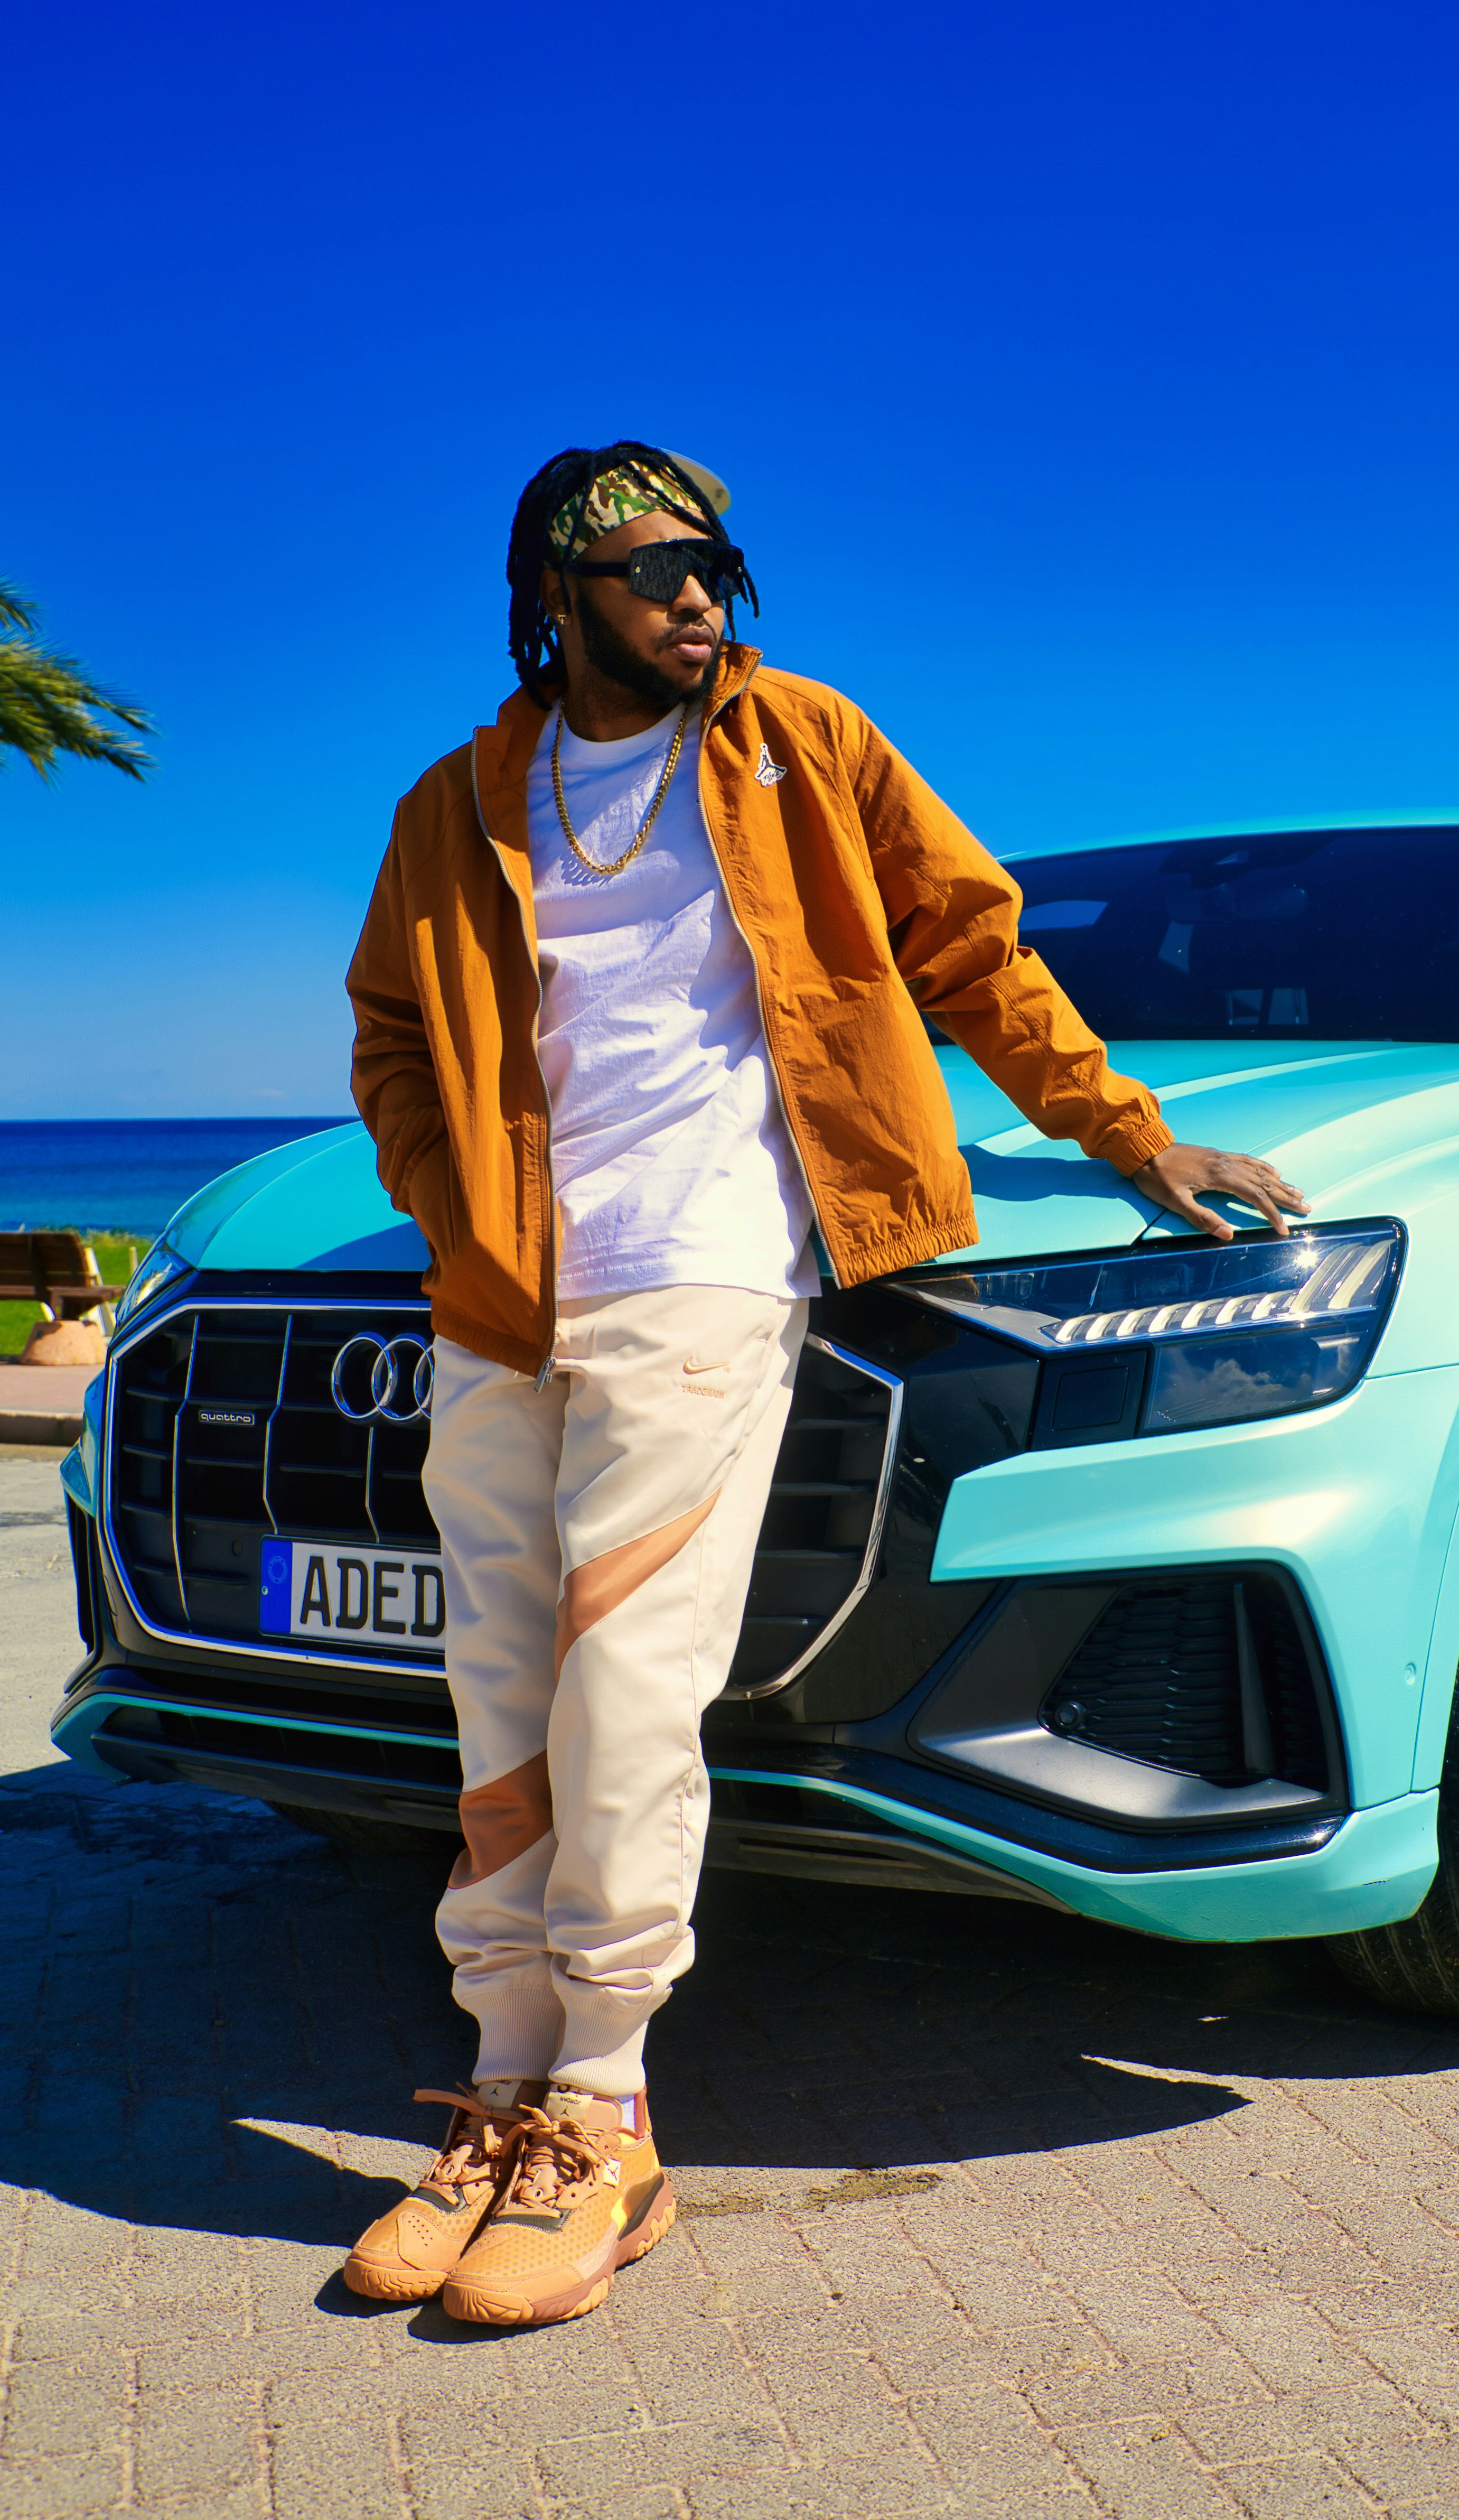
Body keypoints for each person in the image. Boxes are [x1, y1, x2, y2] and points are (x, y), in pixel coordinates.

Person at [340, 441, 1306, 2325]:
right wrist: (446, 1194)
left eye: (717, 566)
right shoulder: (455, 804)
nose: (701, 597)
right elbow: (391, 1029)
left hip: (707, 1269)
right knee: (500, 1699)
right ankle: (505, 2096)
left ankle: (606, 2119)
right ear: (557, 592)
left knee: (632, 1686)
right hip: (500, 1303)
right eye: (655, 571)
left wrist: (1131, 1138)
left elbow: (975, 948)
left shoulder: (810, 745)